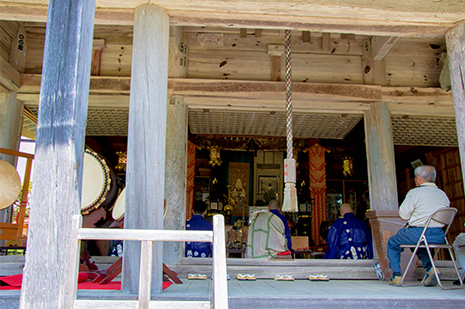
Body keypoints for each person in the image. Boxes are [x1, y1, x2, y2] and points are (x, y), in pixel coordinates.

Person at [388, 165, 450, 287]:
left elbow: (404, 216)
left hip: (418, 233)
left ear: (418, 178)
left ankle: (396, 275)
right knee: (418, 244)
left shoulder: (415, 193)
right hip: (439, 235)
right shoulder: (442, 194)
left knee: (392, 243)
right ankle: (430, 268)